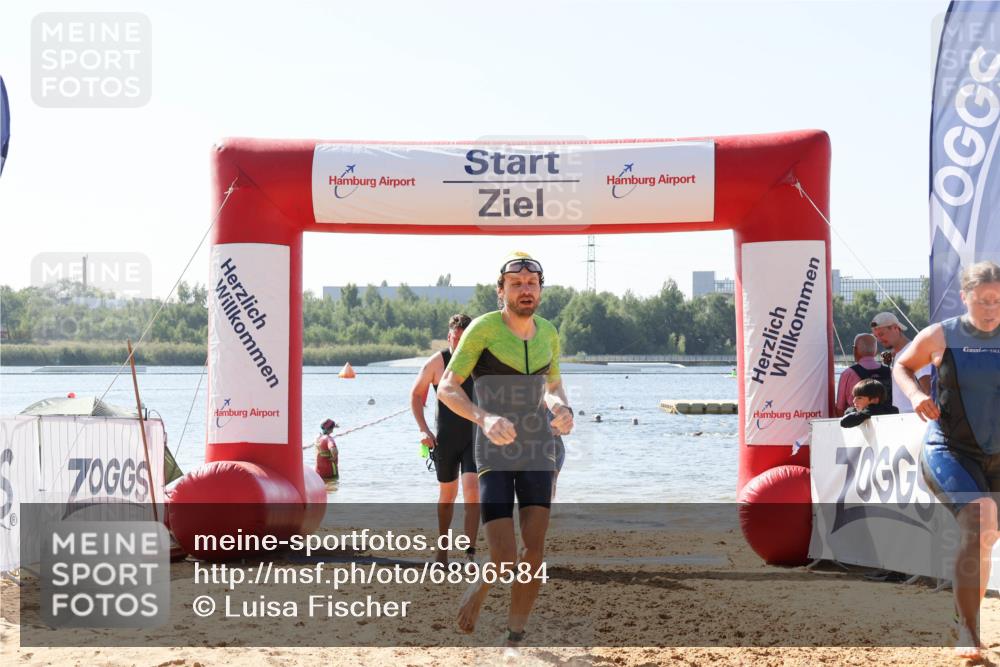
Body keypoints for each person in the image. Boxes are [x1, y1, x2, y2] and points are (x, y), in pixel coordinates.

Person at [437, 251, 574, 647]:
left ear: (540, 291)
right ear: (502, 291)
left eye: (532, 284)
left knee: (534, 550)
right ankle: (481, 586)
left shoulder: (548, 333)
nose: (525, 289)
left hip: (537, 447)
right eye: (516, 284)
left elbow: (552, 388)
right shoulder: (483, 330)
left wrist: (563, 409)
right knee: (503, 556)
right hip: (494, 449)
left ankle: (515, 635)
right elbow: (447, 387)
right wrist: (484, 419)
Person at [894, 260, 1000, 660]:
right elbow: (902, 364)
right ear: (965, 297)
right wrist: (917, 395)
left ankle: (965, 618)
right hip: (951, 449)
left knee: (986, 536)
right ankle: (969, 632)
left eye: (997, 301)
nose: (990, 308)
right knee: (980, 517)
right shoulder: (943, 334)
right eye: (982, 300)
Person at [409, 313, 480, 565]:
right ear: (449, 336)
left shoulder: (479, 361)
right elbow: (416, 396)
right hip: (446, 439)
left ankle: (470, 552)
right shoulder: (437, 363)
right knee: (447, 495)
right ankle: (442, 550)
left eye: (464, 339)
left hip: (474, 437)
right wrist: (423, 429)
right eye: (455, 338)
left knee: (472, 492)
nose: (459, 344)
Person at [871, 311, 931, 413]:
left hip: (916, 418)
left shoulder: (914, 351)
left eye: (881, 334)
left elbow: (929, 388)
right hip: (905, 418)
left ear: (896, 328)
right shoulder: (901, 353)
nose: (879, 339)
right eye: (876, 336)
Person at [835, 333, 889, 416]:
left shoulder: (848, 373)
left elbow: (840, 408)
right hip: (888, 419)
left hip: (857, 422)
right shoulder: (890, 372)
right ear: (876, 352)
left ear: (855, 350)